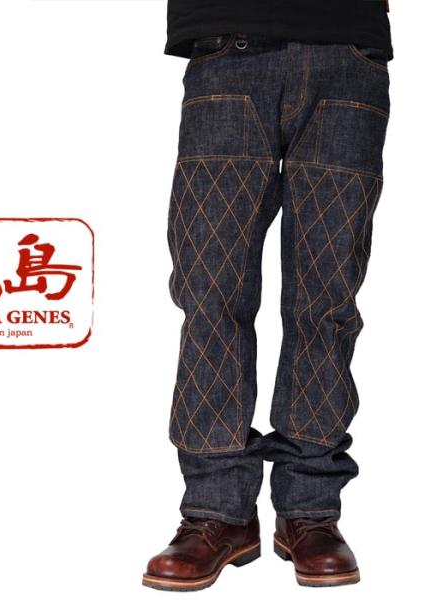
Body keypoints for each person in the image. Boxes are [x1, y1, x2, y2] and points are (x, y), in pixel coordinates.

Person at [142, 0, 393, 590]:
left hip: (348, 47)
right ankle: (217, 511)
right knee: (210, 291)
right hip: (226, 45)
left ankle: (310, 510)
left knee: (327, 299)